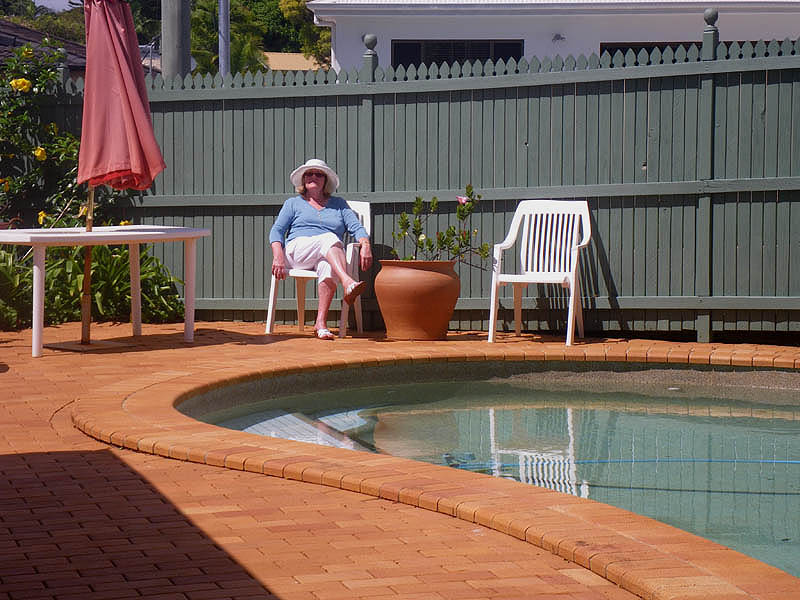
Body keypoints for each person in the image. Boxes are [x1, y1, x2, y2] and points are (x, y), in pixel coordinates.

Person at [269, 159, 372, 340]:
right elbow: (276, 231)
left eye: (319, 174)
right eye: (309, 174)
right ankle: (347, 282)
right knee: (330, 238)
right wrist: (278, 256)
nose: (313, 177)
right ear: (303, 180)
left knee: (328, 265)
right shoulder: (293, 203)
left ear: (325, 181)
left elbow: (357, 228)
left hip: (327, 253)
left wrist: (366, 245)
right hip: (297, 251)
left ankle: (320, 324)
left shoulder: (339, 204)